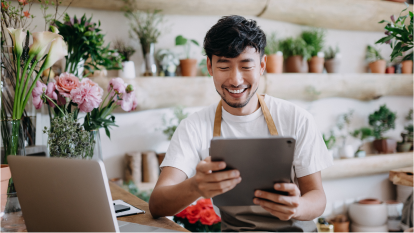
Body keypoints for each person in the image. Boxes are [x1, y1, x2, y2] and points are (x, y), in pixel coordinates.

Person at [149, 15, 333, 233]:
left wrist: (297, 206)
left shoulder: (296, 118)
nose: (235, 80)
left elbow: (318, 198)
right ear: (209, 66)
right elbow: (157, 204)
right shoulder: (194, 127)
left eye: (246, 66)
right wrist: (195, 186)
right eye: (224, 66)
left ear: (262, 65)